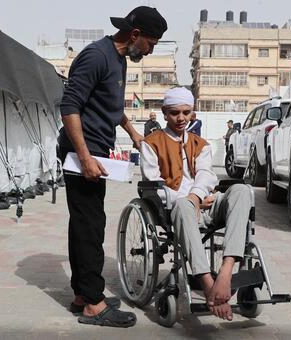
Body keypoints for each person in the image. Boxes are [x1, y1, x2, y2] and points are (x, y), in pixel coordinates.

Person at [59, 6, 167, 328]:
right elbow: (69, 107)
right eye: (152, 43)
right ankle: (93, 304)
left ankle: (83, 293)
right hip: (82, 151)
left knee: (84, 222)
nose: (151, 51)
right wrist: (86, 158)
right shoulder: (96, 56)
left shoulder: (117, 59)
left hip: (94, 150)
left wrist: (133, 133)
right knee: (90, 225)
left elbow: (110, 105)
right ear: (135, 35)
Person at [140, 87, 252, 321]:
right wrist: (192, 203)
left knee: (241, 190)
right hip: (175, 209)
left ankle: (226, 271)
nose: (180, 118)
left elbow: (206, 175)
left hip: (206, 202)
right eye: (174, 113)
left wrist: (197, 198)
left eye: (186, 112)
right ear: (164, 113)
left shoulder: (201, 144)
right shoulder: (151, 144)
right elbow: (154, 186)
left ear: (193, 113)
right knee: (182, 204)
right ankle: (209, 284)